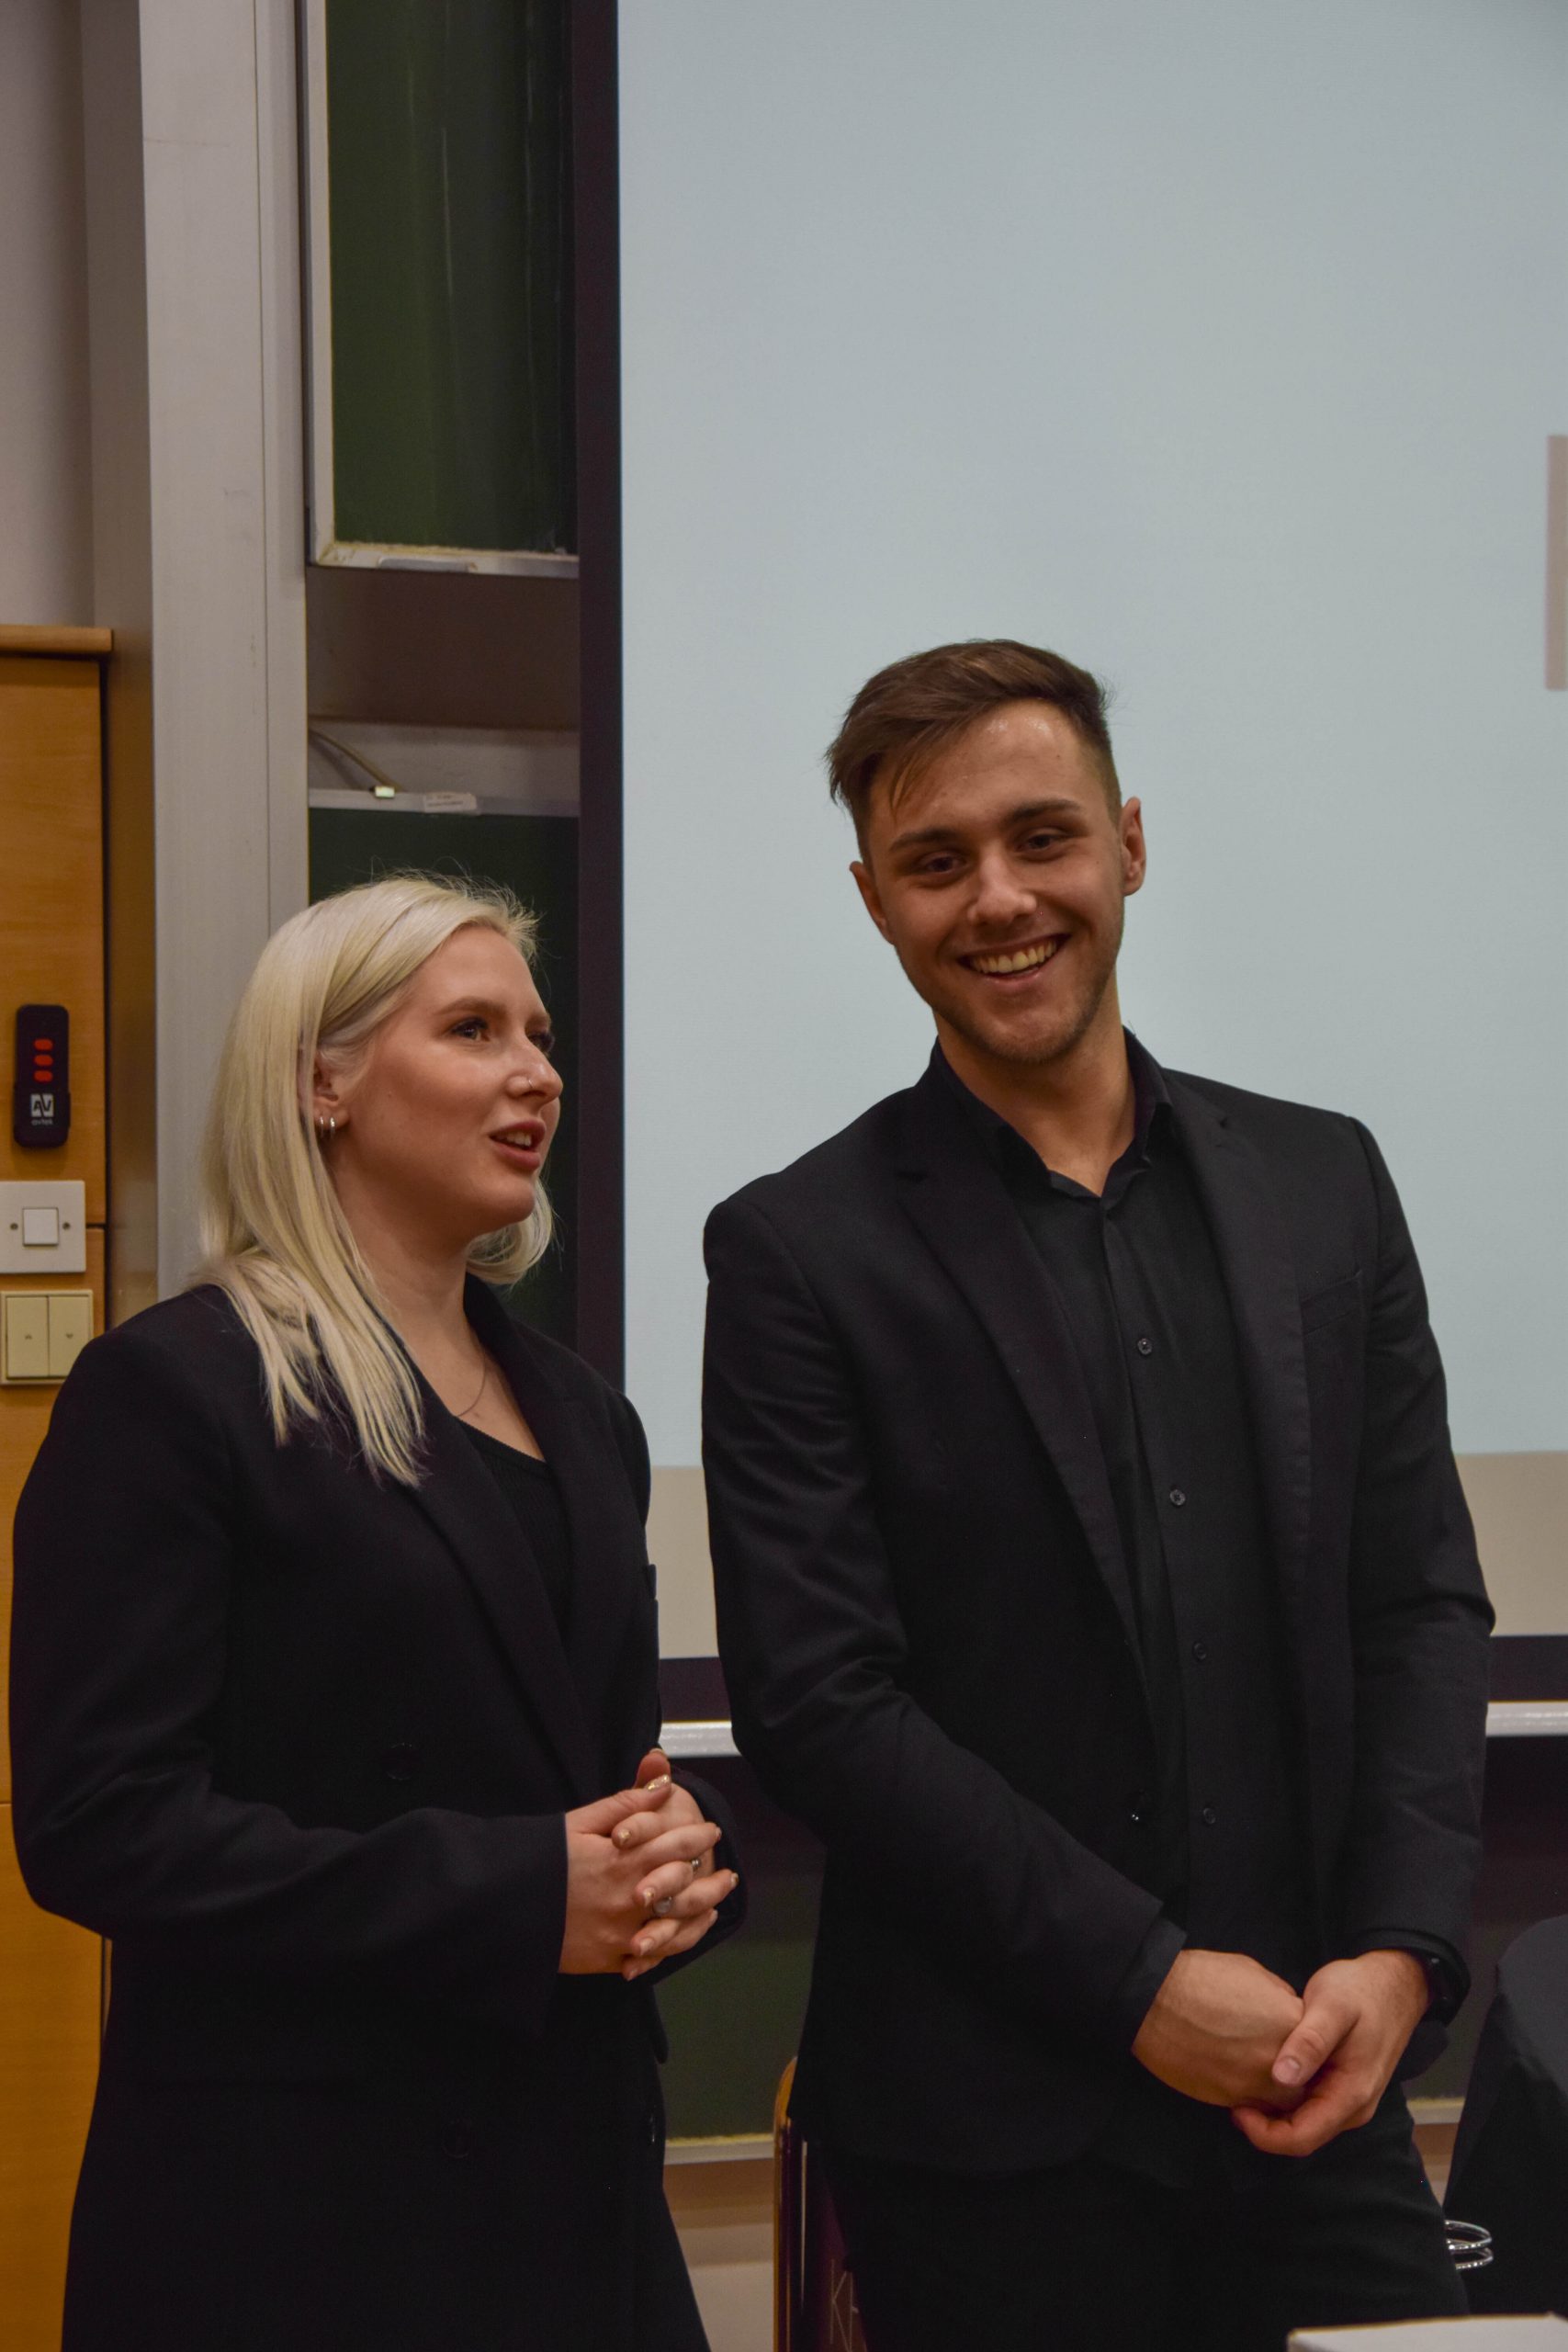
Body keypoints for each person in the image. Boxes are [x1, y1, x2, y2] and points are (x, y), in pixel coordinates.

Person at [701, 640, 1492, 2351]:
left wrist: (1406, 1954)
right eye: (936, 861)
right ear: (873, 901)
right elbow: (821, 1703)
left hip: (1322, 2091)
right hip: (991, 2147)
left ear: (1128, 843)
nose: (1000, 899)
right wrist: (1142, 1987)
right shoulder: (796, 1252)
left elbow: (1419, 1601)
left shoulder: (1327, 1182)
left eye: (1042, 837)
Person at [11, 874, 742, 2352]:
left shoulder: (588, 1418)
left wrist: (671, 1865)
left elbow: (595, 1777)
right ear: (321, 1083)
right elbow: (101, 1825)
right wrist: (518, 1897)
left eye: (537, 1036)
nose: (535, 1073)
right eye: (472, 1030)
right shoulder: (176, 1391)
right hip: (298, 2218)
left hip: (574, 2190)